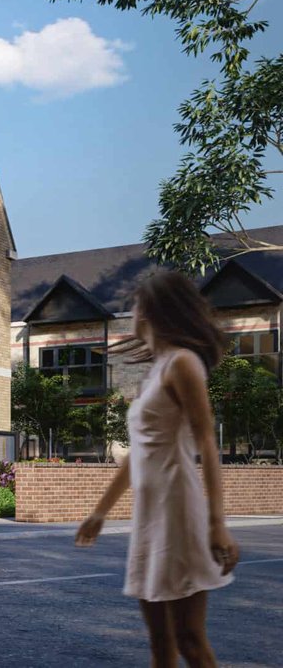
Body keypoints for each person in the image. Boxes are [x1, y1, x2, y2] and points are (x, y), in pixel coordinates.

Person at [76, 272, 240, 668]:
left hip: (179, 511)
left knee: (189, 640)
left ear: (152, 311)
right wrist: (100, 513)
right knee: (160, 645)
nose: (132, 311)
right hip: (150, 518)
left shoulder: (183, 364)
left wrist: (217, 524)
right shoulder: (155, 371)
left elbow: (206, 442)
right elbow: (138, 455)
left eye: (136, 304)